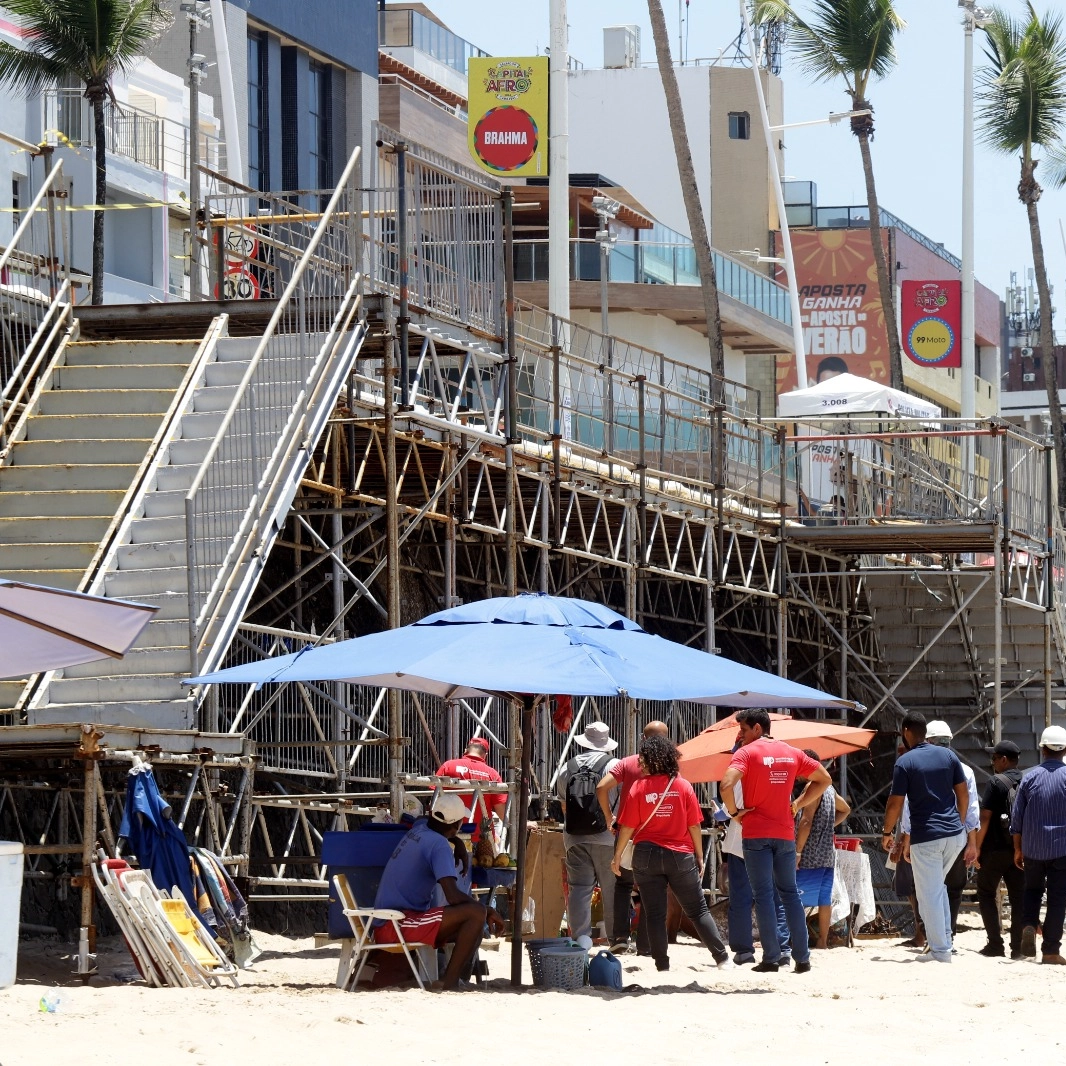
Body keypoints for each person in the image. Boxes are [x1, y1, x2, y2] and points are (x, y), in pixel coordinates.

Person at [720, 709, 832, 974]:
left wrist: (735, 813)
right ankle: (802, 958)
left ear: (757, 729)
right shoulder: (791, 752)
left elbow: (726, 785)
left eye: (744, 730)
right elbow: (824, 779)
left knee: (763, 896)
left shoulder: (746, 753)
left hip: (756, 832)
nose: (741, 735)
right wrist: (798, 803)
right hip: (784, 832)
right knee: (790, 894)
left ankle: (771, 957)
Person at [610, 734, 731, 972]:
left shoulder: (638, 787)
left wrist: (617, 857)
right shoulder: (682, 785)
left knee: (654, 913)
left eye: (644, 759)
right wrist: (698, 855)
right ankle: (722, 958)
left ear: (654, 759)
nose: (641, 763)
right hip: (679, 855)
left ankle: (661, 965)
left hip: (645, 855)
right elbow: (694, 825)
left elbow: (628, 827)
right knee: (697, 909)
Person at [373, 792, 505, 990]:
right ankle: (450, 982)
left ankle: (452, 978)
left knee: (476, 917)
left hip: (387, 920)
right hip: (397, 923)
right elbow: (452, 896)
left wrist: (456, 841)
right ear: (457, 825)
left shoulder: (420, 829)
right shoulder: (439, 845)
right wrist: (486, 909)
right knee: (476, 913)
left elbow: (422, 818)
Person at [882, 711, 976, 964]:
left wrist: (887, 832)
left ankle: (940, 951)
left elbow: (895, 803)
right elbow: (963, 792)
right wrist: (960, 819)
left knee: (929, 894)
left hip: (927, 836)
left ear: (905, 731)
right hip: (954, 836)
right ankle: (945, 938)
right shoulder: (948, 755)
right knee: (938, 889)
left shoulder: (905, 761)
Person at [900, 720, 980, 937]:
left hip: (925, 836)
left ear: (928, 740)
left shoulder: (916, 764)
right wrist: (971, 842)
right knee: (953, 889)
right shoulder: (966, 771)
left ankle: (930, 934)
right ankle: (948, 934)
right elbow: (971, 809)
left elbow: (909, 805)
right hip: (956, 837)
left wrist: (906, 839)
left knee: (926, 888)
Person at [595, 719, 669, 953]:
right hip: (658, 834)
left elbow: (601, 787)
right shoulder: (670, 767)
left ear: (642, 739)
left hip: (626, 833)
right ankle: (646, 944)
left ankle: (620, 938)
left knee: (623, 884)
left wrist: (609, 817)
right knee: (652, 885)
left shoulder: (628, 763)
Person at [556, 721, 620, 942]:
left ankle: (581, 940)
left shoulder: (567, 767)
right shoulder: (615, 766)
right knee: (611, 889)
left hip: (574, 838)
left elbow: (564, 807)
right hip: (608, 838)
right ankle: (614, 939)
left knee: (579, 889)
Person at [1010, 725, 1066, 964]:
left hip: (1033, 848)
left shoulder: (1029, 777)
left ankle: (1029, 925)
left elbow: (1017, 819)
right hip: (1062, 849)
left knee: (1032, 891)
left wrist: (1018, 849)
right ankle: (1051, 950)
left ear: (1042, 749)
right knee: (1057, 899)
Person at [794, 749, 851, 950]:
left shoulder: (813, 787)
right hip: (827, 853)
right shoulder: (829, 789)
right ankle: (822, 942)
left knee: (798, 898)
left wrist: (798, 851)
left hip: (810, 853)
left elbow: (806, 821)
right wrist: (827, 826)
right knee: (823, 900)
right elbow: (846, 809)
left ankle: (797, 941)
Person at [975, 740, 1025, 958]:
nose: (992, 762)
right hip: (1019, 849)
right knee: (1019, 898)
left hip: (994, 850)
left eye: (994, 758)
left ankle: (995, 944)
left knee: (986, 893)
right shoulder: (1027, 780)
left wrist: (975, 848)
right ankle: (1017, 948)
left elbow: (985, 817)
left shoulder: (995, 782)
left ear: (1004, 760)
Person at [435, 736, 506, 846]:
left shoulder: (448, 766)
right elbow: (501, 811)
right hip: (482, 840)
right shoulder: (492, 774)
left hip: (449, 836)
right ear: (485, 755)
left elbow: (434, 800)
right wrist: (522, 824)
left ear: (466, 750)